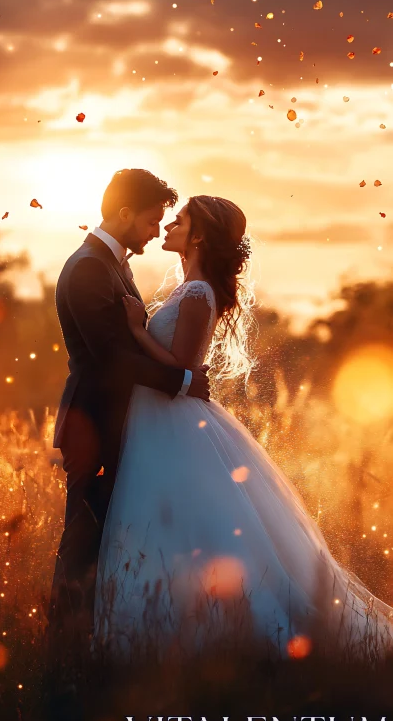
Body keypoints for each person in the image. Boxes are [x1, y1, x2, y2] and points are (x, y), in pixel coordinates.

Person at [92, 194, 393, 664]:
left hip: (171, 420)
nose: (168, 225)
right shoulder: (191, 287)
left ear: (198, 236)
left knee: (177, 520)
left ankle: (208, 633)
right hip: (156, 418)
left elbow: (181, 366)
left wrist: (136, 331)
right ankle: (163, 630)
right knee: (170, 522)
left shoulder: (198, 292)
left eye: (179, 220)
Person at [45, 170, 210, 694]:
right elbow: (111, 357)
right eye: (151, 219)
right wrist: (181, 381)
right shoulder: (89, 268)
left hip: (117, 422)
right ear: (123, 214)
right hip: (93, 422)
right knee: (84, 536)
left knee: (108, 533)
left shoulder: (111, 263)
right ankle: (63, 658)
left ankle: (100, 645)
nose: (156, 229)